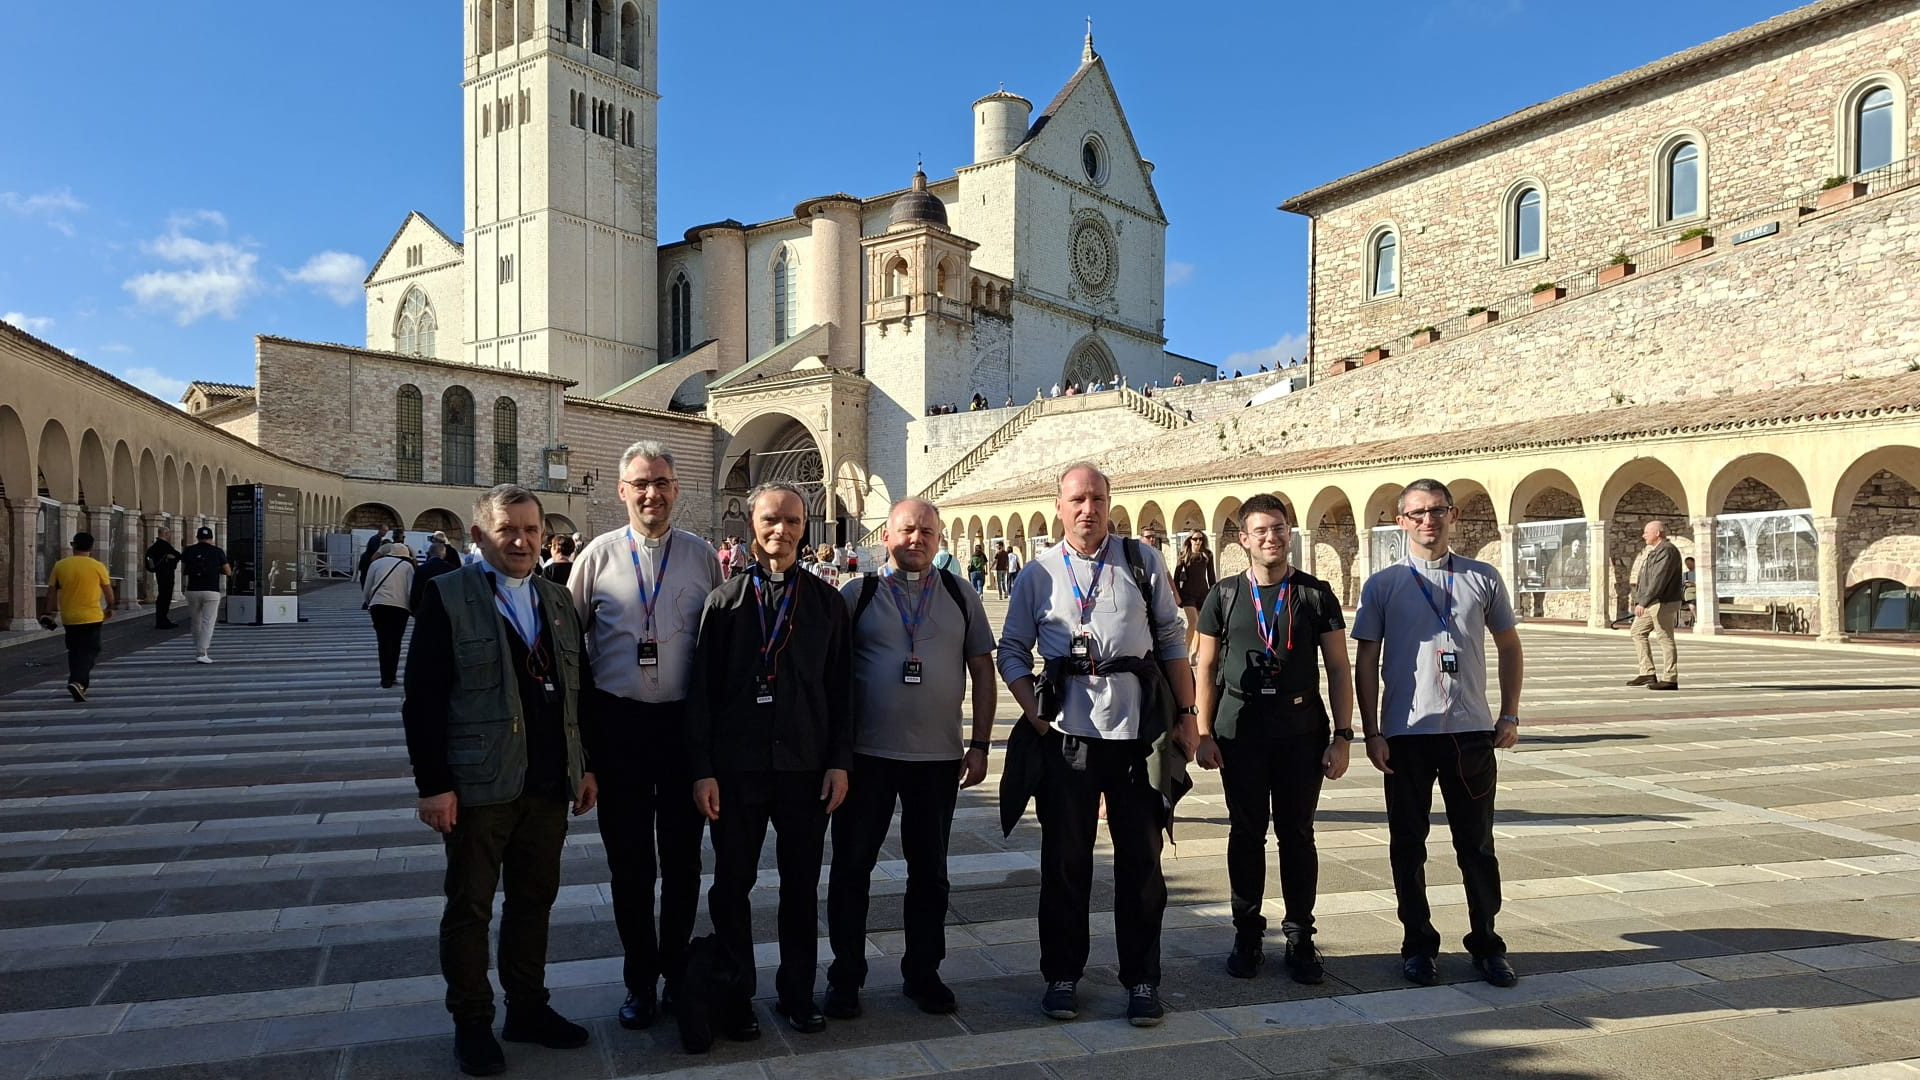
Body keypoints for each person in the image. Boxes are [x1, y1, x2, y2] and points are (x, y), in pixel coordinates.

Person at [403, 484, 599, 1077]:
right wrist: (433, 785)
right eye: (507, 530)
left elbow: (580, 690)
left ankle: (527, 1008)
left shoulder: (555, 598)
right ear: (478, 536)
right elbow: (423, 697)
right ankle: (471, 1021)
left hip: (547, 782)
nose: (521, 541)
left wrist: (585, 765)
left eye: (531, 530)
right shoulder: (447, 595)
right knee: (470, 907)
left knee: (534, 901)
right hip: (480, 785)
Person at [997, 463, 1196, 1027]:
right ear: (1059, 507)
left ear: (1110, 503)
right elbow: (1011, 650)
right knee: (1065, 862)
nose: (1088, 509)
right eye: (1078, 499)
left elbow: (1170, 638)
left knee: (1142, 863)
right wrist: (1038, 719)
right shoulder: (1038, 573)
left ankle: (1143, 979)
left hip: (1136, 735)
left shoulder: (1141, 560)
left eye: (1098, 499)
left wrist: (1187, 716)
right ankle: (1062, 975)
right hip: (1068, 739)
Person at [688, 481, 852, 1041]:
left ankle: (797, 992)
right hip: (737, 769)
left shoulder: (827, 603)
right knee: (732, 883)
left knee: (800, 886)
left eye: (793, 521)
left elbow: (842, 689)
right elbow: (702, 694)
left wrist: (839, 761)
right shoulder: (723, 603)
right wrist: (703, 769)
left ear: (805, 529)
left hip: (806, 767)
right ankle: (736, 995)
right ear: (751, 527)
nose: (781, 530)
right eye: (770, 520)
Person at [567, 441, 720, 1033]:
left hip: (682, 728)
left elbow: (716, 645)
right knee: (630, 865)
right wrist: (582, 753)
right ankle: (639, 981)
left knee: (683, 863)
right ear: (621, 490)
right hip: (620, 728)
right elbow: (570, 651)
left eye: (661, 482)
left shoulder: (703, 556)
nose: (651, 493)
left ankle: (676, 974)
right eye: (640, 483)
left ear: (676, 490)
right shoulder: (597, 557)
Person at [826, 498, 996, 1019]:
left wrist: (980, 744)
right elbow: (830, 675)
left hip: (936, 756)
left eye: (926, 531)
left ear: (939, 539)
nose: (916, 539)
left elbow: (983, 671)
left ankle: (923, 972)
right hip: (867, 756)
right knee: (852, 868)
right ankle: (846, 976)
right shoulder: (858, 594)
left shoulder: (960, 594)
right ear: (887, 536)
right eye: (906, 530)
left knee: (930, 871)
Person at [1352, 479, 1524, 990]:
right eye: (1418, 513)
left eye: (1438, 510)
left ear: (1453, 516)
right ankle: (1418, 944)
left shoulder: (1482, 577)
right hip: (1406, 733)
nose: (1429, 520)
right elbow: (1366, 661)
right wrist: (1371, 730)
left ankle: (1486, 942)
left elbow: (1510, 646)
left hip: (1470, 732)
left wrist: (1510, 713)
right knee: (1408, 844)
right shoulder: (1382, 585)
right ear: (1401, 521)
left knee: (1477, 845)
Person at [1191, 495, 1353, 983]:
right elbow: (1204, 667)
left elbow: (1339, 667)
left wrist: (1343, 736)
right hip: (1240, 731)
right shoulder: (1224, 595)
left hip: (1300, 731)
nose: (1271, 538)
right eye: (1260, 530)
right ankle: (1247, 933)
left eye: (1278, 528)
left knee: (1297, 834)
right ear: (1243, 539)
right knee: (1245, 833)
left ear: (1289, 533)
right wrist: (1202, 732)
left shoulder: (1315, 594)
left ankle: (1300, 936)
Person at [44, 532, 115, 702]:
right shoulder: (97, 566)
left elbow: (51, 592)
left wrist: (49, 612)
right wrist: (110, 607)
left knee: (75, 650)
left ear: (73, 545)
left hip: (69, 616)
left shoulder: (60, 565)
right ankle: (78, 681)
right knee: (91, 650)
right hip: (92, 616)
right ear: (91, 547)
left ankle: (79, 684)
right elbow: (108, 591)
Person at [1628, 521, 1684, 690]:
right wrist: (1643, 600)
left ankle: (1670, 678)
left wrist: (1643, 602)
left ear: (1658, 533)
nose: (1643, 535)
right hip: (1652, 601)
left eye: (1646, 532)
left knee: (1665, 638)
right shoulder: (1656, 551)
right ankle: (1647, 672)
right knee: (1637, 631)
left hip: (1662, 602)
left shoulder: (1667, 551)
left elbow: (1658, 579)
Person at [363, 542, 416, 689]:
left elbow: (367, 587)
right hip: (400, 607)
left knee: (383, 641)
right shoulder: (407, 567)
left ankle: (385, 678)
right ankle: (392, 675)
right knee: (395, 642)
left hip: (378, 606)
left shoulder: (376, 564)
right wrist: (412, 609)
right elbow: (411, 590)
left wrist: (369, 602)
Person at [180, 526, 231, 665]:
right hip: (211, 591)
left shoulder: (189, 550)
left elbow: (184, 569)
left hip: (193, 590)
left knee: (195, 622)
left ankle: (199, 650)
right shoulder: (217, 551)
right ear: (211, 538)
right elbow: (228, 571)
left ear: (197, 537)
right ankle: (202, 652)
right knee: (208, 622)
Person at [1174, 531, 1217, 660]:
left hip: (1203, 594)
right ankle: (1185, 652)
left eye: (1201, 539)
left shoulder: (1207, 555)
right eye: (1195, 539)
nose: (1198, 541)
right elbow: (1176, 578)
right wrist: (1177, 595)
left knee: (1200, 625)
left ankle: (1194, 654)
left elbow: (1211, 576)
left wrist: (1213, 593)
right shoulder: (1184, 556)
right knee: (1194, 622)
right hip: (1187, 594)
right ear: (1190, 540)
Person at [412, 533, 461, 611]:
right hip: (446, 603)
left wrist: (415, 608)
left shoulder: (422, 568)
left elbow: (416, 591)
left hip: (426, 603)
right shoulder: (452, 557)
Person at [145, 526, 181, 629]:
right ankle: (162, 620)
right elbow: (178, 555)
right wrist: (171, 558)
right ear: (165, 534)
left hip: (160, 574)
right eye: (168, 533)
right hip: (167, 574)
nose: (169, 535)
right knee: (165, 597)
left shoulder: (154, 547)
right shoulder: (164, 546)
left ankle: (161, 619)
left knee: (162, 596)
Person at [1681, 555, 1698, 629]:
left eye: (1690, 563)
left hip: (1695, 595)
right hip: (1686, 595)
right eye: (1687, 564)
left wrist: (1693, 584)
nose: (1688, 565)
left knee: (1691, 605)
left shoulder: (1698, 573)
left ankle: (1696, 619)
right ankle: (1683, 621)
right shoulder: (1685, 575)